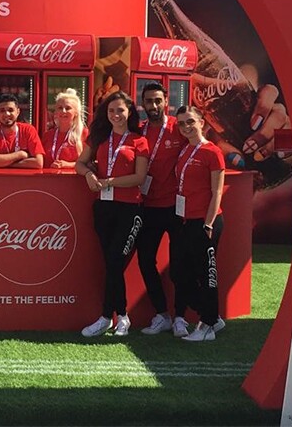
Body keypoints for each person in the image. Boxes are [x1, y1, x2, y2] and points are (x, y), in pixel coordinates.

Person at [75, 91, 148, 337]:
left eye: (120, 110)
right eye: (111, 111)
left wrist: (108, 182)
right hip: (103, 209)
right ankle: (116, 318)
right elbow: (80, 163)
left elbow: (139, 177)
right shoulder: (99, 138)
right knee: (111, 263)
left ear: (130, 113)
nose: (116, 115)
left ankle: (112, 316)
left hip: (129, 210)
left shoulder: (139, 141)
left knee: (115, 261)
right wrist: (88, 175)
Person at [135, 83, 187, 336]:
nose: (153, 106)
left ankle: (181, 317)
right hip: (148, 206)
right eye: (148, 101)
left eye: (157, 100)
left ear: (166, 101)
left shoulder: (180, 128)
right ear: (142, 103)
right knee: (145, 260)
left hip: (177, 208)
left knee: (179, 265)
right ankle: (162, 314)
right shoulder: (139, 130)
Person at [172, 105, 226, 342]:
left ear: (202, 122)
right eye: (181, 123)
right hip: (186, 220)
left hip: (205, 222)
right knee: (179, 273)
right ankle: (212, 316)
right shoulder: (185, 151)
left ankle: (207, 327)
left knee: (206, 275)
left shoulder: (212, 152)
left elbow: (217, 192)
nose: (186, 127)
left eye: (190, 121)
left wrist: (208, 224)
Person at [0, 93, 44, 169]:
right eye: (2, 110)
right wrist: (20, 154)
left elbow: (38, 163)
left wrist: (3, 164)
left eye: (10, 110)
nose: (7, 114)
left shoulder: (28, 130)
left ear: (18, 112)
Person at [41, 88, 87, 169]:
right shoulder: (48, 135)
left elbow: (92, 162)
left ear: (76, 112)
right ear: (56, 111)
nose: (63, 111)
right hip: (49, 179)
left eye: (68, 108)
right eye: (60, 108)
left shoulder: (84, 134)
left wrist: (68, 165)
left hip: (73, 180)